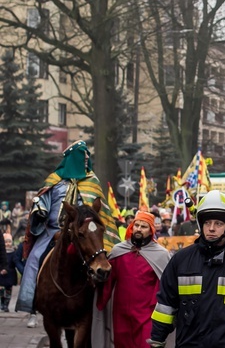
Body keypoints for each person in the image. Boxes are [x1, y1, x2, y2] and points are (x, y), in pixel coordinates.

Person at [149, 191, 225, 348]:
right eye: (207, 223)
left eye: (218, 223)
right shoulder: (180, 261)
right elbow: (166, 306)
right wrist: (157, 340)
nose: (212, 228)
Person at [17, 140, 120, 314]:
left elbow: (98, 212)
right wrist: (40, 209)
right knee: (35, 259)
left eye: (87, 156)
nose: (85, 160)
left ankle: (98, 304)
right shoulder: (54, 180)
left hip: (80, 233)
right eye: (81, 156)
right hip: (52, 232)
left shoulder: (92, 182)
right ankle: (32, 303)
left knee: (97, 259)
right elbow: (43, 199)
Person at [92, 212, 171, 348]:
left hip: (147, 316)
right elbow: (107, 282)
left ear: (151, 230)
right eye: (137, 225)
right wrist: (100, 300)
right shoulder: (118, 251)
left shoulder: (161, 255)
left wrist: (155, 310)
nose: (139, 229)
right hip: (121, 315)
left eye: (144, 226)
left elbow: (164, 286)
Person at [0, 233, 14, 312]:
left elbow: (16, 262)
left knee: (8, 290)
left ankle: (6, 304)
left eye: (9, 241)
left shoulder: (13, 252)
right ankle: (2, 303)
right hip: (1, 273)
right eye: (6, 242)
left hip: (10, 274)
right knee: (1, 290)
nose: (7, 243)